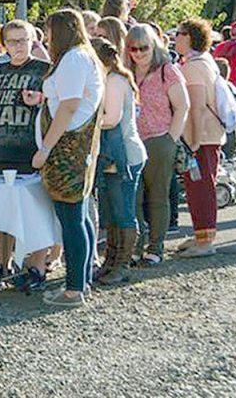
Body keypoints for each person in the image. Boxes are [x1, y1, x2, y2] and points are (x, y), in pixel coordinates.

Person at [0, 19, 51, 289]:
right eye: (13, 41)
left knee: (37, 211)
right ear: (4, 44)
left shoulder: (44, 70)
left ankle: (37, 266)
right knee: (2, 216)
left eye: (23, 40)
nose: (18, 46)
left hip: (30, 150)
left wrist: (40, 100)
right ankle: (3, 265)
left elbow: (61, 103)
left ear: (32, 41)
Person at [31, 10, 103, 307]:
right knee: (80, 217)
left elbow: (70, 106)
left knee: (71, 220)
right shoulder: (82, 56)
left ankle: (74, 290)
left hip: (66, 150)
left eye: (48, 32)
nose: (46, 38)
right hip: (74, 148)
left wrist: (45, 149)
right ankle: (81, 282)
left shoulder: (74, 58)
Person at [126, 23, 189, 266]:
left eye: (144, 48)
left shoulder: (167, 71)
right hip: (132, 141)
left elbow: (183, 106)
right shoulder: (127, 73)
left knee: (158, 196)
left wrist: (171, 139)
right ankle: (136, 246)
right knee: (134, 197)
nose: (139, 53)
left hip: (159, 139)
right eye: (133, 48)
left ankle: (155, 247)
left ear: (154, 46)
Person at [92, 37, 147, 285]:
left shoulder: (114, 81)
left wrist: (83, 122)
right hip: (114, 156)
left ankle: (122, 264)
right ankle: (111, 260)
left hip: (124, 154)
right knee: (113, 212)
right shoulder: (110, 79)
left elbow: (112, 119)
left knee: (123, 211)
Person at [174, 18, 224, 257]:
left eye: (180, 33)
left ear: (190, 37)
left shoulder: (193, 66)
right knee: (201, 187)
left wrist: (193, 141)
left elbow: (197, 107)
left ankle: (204, 241)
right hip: (206, 134)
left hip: (201, 136)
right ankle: (202, 235)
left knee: (201, 187)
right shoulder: (204, 61)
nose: (175, 37)